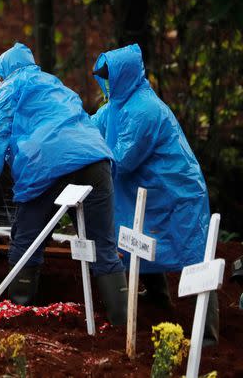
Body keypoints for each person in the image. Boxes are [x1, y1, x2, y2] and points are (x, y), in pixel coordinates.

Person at [0, 43, 127, 325]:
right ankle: (122, 323)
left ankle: (18, 316)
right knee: (103, 244)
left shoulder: (11, 86)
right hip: (95, 160)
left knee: (27, 238)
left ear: (5, 74)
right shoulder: (58, 86)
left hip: (46, 164)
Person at [91, 43, 216, 344]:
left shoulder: (146, 109)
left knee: (193, 255)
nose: (107, 82)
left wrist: (92, 156)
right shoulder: (115, 107)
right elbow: (90, 128)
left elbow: (124, 159)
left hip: (176, 194)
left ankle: (207, 333)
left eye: (111, 75)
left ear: (125, 74)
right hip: (149, 193)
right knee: (138, 236)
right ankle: (158, 295)